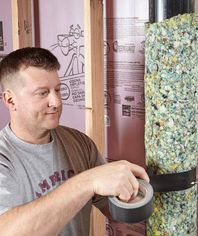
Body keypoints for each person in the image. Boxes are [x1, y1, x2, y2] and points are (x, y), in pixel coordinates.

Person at [0, 47, 149, 235]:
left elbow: (114, 210)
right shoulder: (4, 157)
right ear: (10, 100)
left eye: (57, 90)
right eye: (42, 93)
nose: (56, 102)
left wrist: (139, 191)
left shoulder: (79, 143)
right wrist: (87, 182)